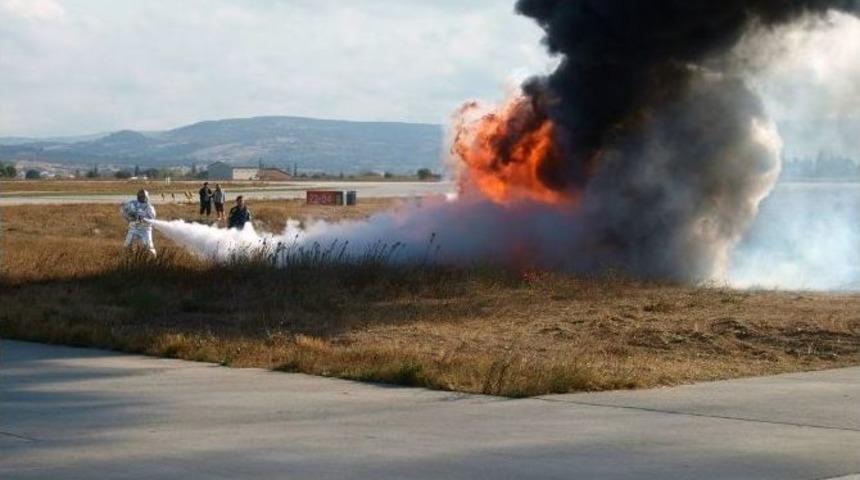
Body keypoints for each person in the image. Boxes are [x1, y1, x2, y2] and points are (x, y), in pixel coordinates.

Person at [120, 189, 157, 256]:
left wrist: (142, 217)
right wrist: (129, 215)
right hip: (133, 229)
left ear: (146, 197)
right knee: (127, 246)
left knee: (149, 247)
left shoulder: (149, 207)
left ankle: (154, 260)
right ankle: (128, 259)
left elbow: (152, 217)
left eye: (143, 196)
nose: (142, 197)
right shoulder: (133, 203)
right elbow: (124, 210)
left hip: (145, 230)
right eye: (140, 196)